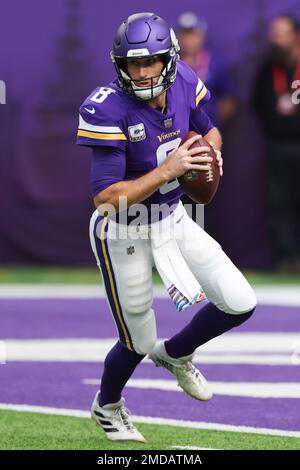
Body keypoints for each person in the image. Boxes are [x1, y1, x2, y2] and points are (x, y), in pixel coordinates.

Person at [77, 13, 257, 443]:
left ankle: (175, 354)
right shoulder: (107, 106)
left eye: (151, 62)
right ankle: (108, 405)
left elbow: (208, 132)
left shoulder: (183, 83)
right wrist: (168, 170)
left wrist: (209, 156)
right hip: (123, 228)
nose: (141, 72)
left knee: (240, 301)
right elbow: (106, 200)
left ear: (169, 60)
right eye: (133, 64)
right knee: (137, 339)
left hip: (173, 218)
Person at [253, 15, 300, 273]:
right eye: (274, 33)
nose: (277, 39)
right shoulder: (268, 67)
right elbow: (257, 104)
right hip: (276, 147)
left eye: (282, 33)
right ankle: (286, 260)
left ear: (295, 35)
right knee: (278, 206)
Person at [177, 11, 237, 127]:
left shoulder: (216, 64)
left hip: (209, 130)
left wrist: (212, 126)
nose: (189, 40)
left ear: (202, 36)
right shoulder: (171, 64)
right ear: (178, 37)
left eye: (194, 35)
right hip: (177, 132)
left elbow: (228, 98)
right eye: (185, 35)